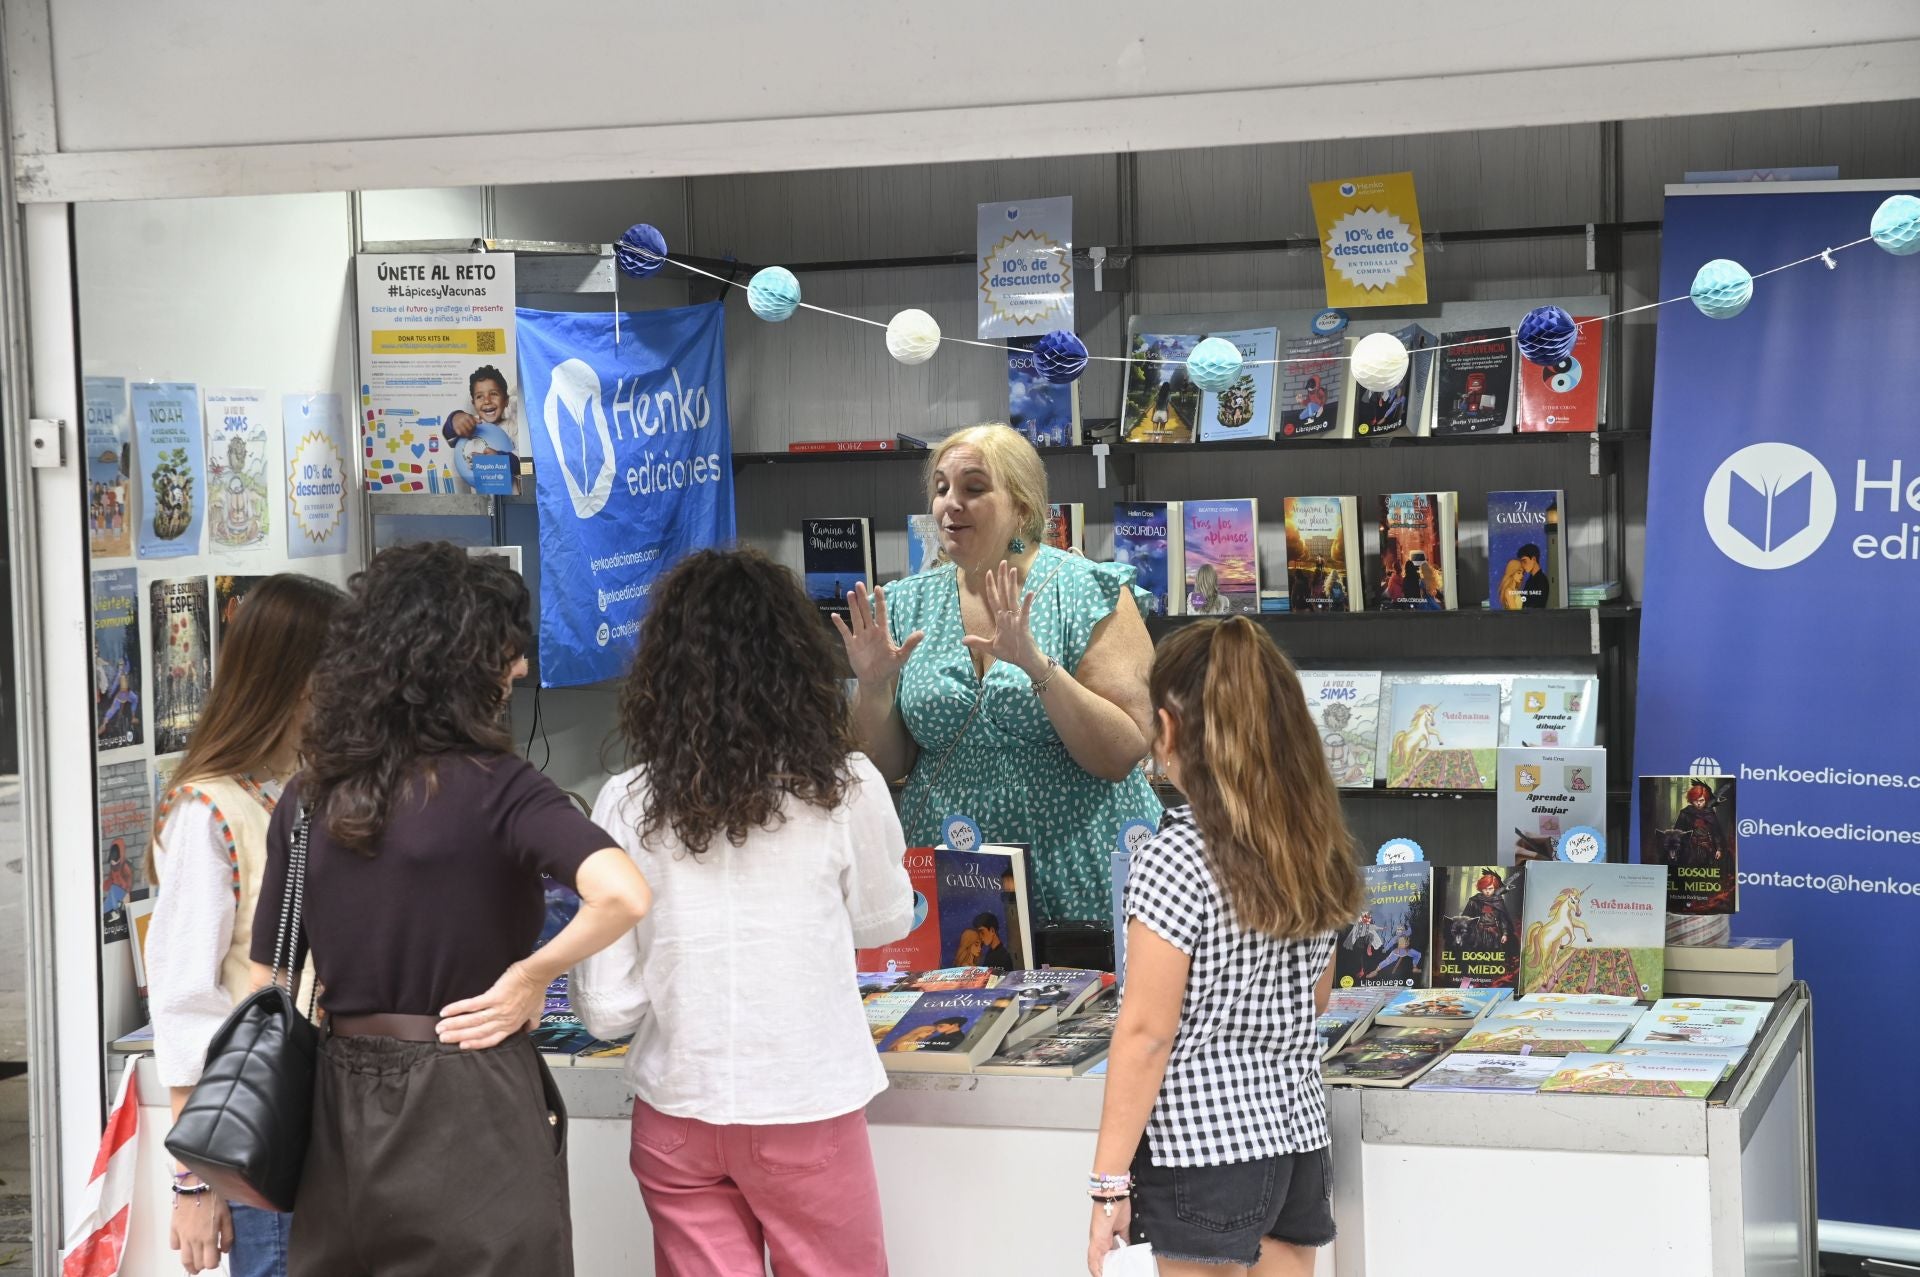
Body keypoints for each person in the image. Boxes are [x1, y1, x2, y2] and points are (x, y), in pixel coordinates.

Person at [249, 543, 651, 1277]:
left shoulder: (307, 797)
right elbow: (623, 893)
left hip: (338, 1110)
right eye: (506, 651)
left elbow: (265, 980)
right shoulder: (502, 787)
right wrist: (531, 976)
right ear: (460, 661)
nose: (518, 668)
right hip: (471, 1095)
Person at [571, 547, 911, 1277]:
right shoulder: (846, 785)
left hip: (677, 1113)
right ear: (797, 663)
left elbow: (606, 1010)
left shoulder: (625, 800)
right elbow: (885, 921)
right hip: (804, 1103)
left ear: (662, 673)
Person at [1086, 617, 1363, 1277]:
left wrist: (1108, 1185)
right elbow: (1317, 997)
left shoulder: (1174, 857)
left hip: (1198, 1151)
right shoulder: (1312, 844)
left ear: (1169, 727)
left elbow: (1147, 1033)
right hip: (1296, 1138)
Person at [838, 423, 1160, 924]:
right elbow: (888, 763)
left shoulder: (1086, 589)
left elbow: (1123, 752)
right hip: (955, 880)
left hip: (1081, 871)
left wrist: (1038, 667)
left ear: (1023, 508)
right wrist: (875, 686)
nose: (950, 503)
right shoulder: (904, 603)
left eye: (973, 488)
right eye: (941, 488)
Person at [147, 573, 345, 1277]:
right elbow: (183, 1004)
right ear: (300, 679)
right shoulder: (208, 809)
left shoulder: (312, 785)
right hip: (265, 1127)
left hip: (335, 1123)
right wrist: (194, 1182)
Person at [1516, 543, 1549, 609]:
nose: (1522, 565)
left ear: (1534, 559)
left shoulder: (1541, 580)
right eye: (1521, 562)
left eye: (1524, 561)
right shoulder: (1530, 580)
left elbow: (1537, 605)